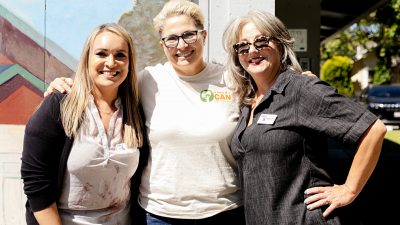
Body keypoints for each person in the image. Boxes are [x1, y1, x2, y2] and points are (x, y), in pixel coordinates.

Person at [44, 1, 246, 224]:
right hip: (161, 214)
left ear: (203, 36)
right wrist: (64, 85)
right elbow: (104, 82)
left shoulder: (232, 81)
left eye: (189, 35)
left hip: (224, 210)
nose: (181, 45)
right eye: (172, 38)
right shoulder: (147, 81)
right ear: (162, 45)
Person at [222, 10, 387, 225]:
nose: (252, 51)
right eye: (242, 46)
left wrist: (349, 189)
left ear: (279, 44)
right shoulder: (248, 101)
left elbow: (374, 129)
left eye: (261, 41)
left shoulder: (302, 90)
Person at [21, 23, 148, 225]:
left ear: (130, 63)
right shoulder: (60, 106)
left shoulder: (135, 112)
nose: (111, 62)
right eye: (101, 54)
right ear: (87, 59)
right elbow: (36, 181)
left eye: (120, 55)